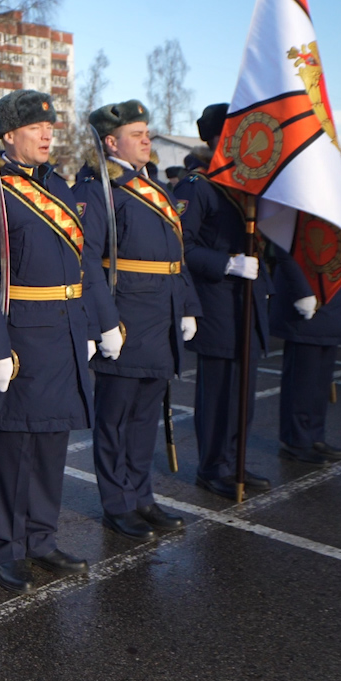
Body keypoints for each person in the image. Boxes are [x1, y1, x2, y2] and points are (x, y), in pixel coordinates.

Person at [0, 90, 117, 593]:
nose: (49, 134)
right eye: (36, 128)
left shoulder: (63, 190)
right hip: (21, 338)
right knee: (13, 452)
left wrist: (92, 326)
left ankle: (42, 539)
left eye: (50, 127)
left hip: (67, 331)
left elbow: (85, 265)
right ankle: (6, 548)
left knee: (52, 445)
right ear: (8, 136)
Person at [76, 100, 200, 538]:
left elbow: (176, 255)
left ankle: (143, 497)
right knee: (116, 419)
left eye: (147, 132)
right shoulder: (99, 189)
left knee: (147, 416)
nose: (147, 139)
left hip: (161, 315)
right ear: (111, 142)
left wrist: (187, 305)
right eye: (136, 134)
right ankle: (118, 503)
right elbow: (88, 261)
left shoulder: (157, 188)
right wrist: (103, 322)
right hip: (126, 316)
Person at [174, 102, 277, 496]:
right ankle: (212, 466)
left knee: (242, 394)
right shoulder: (197, 186)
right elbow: (181, 245)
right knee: (218, 395)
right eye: (233, 134)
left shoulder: (243, 183)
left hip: (246, 301)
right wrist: (226, 264)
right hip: (216, 302)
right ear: (216, 139)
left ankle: (236, 461)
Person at [266, 238, 341, 466]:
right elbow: (283, 246)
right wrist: (302, 291)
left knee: (322, 376)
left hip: (332, 286)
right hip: (304, 288)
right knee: (302, 377)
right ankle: (296, 441)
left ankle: (315, 435)